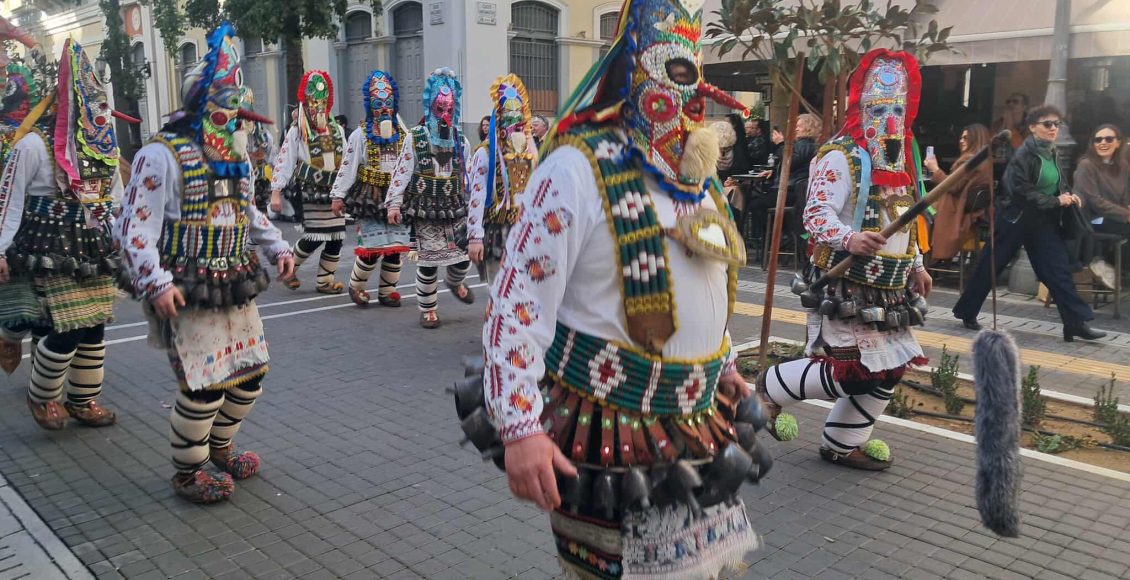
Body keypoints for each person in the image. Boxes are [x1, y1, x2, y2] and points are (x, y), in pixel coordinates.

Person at [471, 0, 763, 576]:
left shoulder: (694, 179)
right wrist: (520, 427)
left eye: (693, 71)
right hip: (612, 431)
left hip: (694, 424)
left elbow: (706, 284)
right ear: (633, 66)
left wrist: (723, 363)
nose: (686, 89)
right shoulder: (577, 167)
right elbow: (519, 300)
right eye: (673, 69)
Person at [116, 23, 294, 503]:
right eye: (223, 102)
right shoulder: (161, 155)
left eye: (236, 103)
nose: (232, 116)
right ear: (200, 103)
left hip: (234, 278)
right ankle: (187, 470)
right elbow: (134, 226)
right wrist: (154, 281)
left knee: (251, 373)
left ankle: (220, 445)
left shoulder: (236, 156)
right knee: (203, 386)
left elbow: (247, 210)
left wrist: (276, 246)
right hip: (187, 286)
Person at [758, 49, 932, 471]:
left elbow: (904, 218)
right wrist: (849, 238)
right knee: (845, 369)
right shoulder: (841, 156)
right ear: (860, 107)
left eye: (896, 108)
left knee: (888, 370)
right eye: (878, 108)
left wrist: (916, 265)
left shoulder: (903, 160)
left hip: (891, 288)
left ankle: (842, 442)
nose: (888, 119)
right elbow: (815, 216)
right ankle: (768, 390)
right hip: (845, 282)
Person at [0, 39, 139, 430]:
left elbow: (115, 198)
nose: (95, 111)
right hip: (46, 246)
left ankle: (83, 400)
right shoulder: (33, 145)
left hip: (91, 248)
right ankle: (42, 396)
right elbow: (8, 200)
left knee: (93, 325)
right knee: (63, 327)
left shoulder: (102, 148)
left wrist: (123, 237)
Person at [953, 105, 1107, 342]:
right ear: (1033, 127)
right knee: (990, 267)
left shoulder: (1051, 151)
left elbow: (1056, 182)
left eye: (1057, 124)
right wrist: (1055, 200)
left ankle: (1075, 323)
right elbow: (1019, 189)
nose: (1054, 128)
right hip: (1015, 219)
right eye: (1048, 124)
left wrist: (1068, 194)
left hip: (1043, 220)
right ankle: (966, 311)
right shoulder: (1024, 154)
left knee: (1058, 271)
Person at [385, 68, 474, 329]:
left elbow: (468, 173)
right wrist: (394, 202)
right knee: (429, 262)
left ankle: (455, 281)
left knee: (466, 255)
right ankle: (428, 309)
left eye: (449, 108)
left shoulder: (461, 140)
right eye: (440, 108)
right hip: (426, 207)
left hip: (455, 208)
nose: (445, 114)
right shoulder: (416, 138)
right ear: (431, 106)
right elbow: (402, 170)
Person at [329, 70, 411, 307]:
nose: (384, 109)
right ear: (370, 106)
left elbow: (410, 165)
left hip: (397, 198)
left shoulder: (404, 135)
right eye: (378, 104)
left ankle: (387, 291)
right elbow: (348, 165)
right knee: (372, 248)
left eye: (388, 104)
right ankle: (357, 286)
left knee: (396, 247)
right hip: (370, 197)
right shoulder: (360, 135)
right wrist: (338, 195)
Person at [270, 70, 348, 294]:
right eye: (314, 102)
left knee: (336, 237)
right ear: (306, 104)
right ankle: (290, 268)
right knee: (315, 235)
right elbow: (285, 160)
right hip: (313, 190)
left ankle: (325, 281)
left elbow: (347, 159)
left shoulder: (337, 130)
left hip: (335, 191)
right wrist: (276, 191)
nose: (318, 108)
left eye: (322, 102)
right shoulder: (297, 132)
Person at [466, 74, 538, 282]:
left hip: (526, 230)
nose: (515, 127)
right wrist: (475, 237)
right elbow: (477, 197)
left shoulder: (531, 153)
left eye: (519, 122)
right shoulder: (486, 153)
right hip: (498, 230)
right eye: (509, 120)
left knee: (527, 289)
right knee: (500, 289)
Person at [747, 113, 822, 244]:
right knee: (757, 203)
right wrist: (773, 171)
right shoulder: (803, 144)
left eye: (799, 126)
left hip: (790, 190)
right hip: (792, 189)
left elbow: (791, 162)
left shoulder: (804, 144)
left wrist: (781, 144)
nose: (796, 129)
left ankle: (779, 238)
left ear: (809, 128)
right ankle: (780, 236)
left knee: (755, 205)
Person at [923, 124, 993, 262]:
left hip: (955, 210)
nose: (961, 141)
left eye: (966, 138)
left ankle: (922, 261)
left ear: (976, 139)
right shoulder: (984, 160)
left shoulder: (970, 161)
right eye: (961, 137)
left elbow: (953, 186)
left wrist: (935, 169)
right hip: (966, 209)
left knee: (921, 213)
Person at [1073, 123, 1128, 289]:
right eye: (1098, 139)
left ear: (1118, 142)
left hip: (1113, 218)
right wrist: (1126, 215)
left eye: (1109, 138)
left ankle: (1107, 264)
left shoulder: (1124, 167)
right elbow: (1094, 202)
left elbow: (1125, 197)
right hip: (1092, 219)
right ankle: (1104, 263)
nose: (1103, 142)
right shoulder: (1086, 165)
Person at [242, 87, 276, 213]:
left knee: (261, 218)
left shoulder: (263, 133)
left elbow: (272, 155)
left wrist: (278, 185)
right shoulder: (231, 133)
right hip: (240, 184)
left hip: (259, 184)